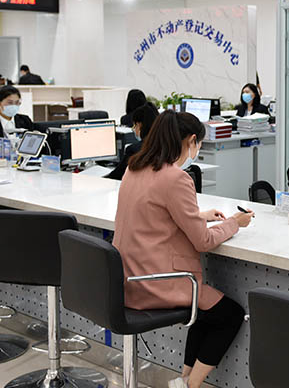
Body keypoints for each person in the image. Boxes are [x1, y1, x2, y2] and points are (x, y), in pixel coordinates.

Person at [113, 111, 254, 388]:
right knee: (230, 314)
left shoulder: (134, 168)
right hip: (157, 283)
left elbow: (154, 214)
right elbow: (203, 241)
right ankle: (192, 385)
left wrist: (198, 215)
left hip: (129, 279)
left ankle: (184, 378)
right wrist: (235, 224)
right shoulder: (176, 178)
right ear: (191, 140)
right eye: (198, 143)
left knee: (206, 308)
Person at [107, 104, 158, 181]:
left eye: (134, 125)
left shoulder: (134, 150)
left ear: (139, 125)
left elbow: (116, 175)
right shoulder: (164, 146)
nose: (134, 129)